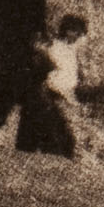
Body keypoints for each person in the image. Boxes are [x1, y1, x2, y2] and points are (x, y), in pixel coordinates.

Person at [16, 13, 87, 158]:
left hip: (64, 94)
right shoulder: (56, 49)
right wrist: (69, 97)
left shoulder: (70, 48)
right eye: (76, 32)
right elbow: (53, 80)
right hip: (53, 95)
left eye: (79, 34)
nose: (78, 37)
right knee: (55, 130)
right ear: (68, 31)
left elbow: (84, 40)